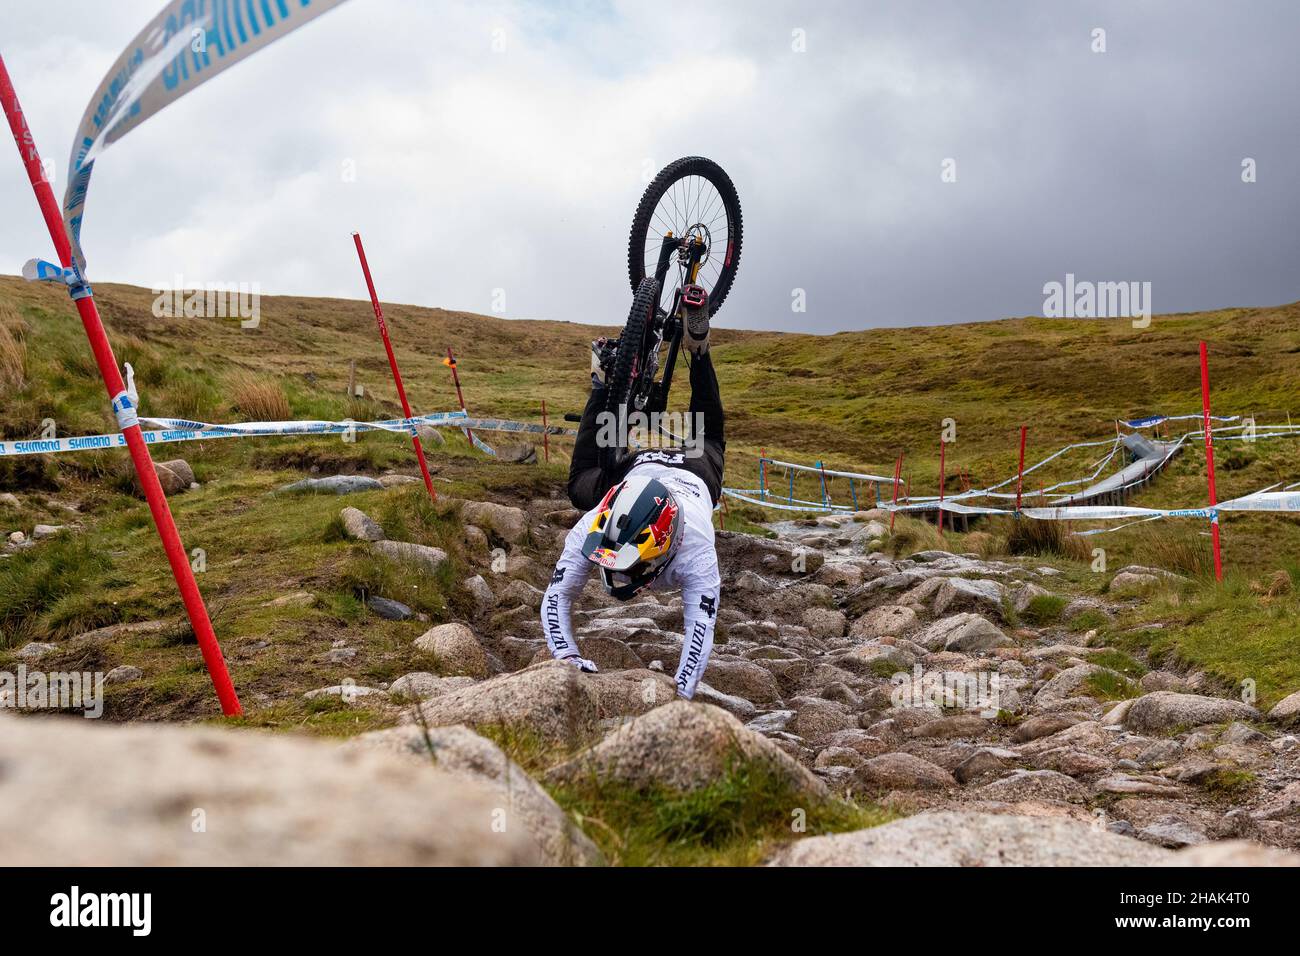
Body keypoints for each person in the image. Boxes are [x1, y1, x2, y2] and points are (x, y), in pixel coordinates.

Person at [540, 291, 723, 699]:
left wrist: (679, 695)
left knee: (585, 480)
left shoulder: (698, 554)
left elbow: (699, 632)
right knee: (704, 433)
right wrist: (566, 657)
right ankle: (687, 354)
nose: (618, 579)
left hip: (680, 472)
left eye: (628, 570)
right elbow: (557, 596)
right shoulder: (597, 522)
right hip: (644, 474)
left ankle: (634, 372)